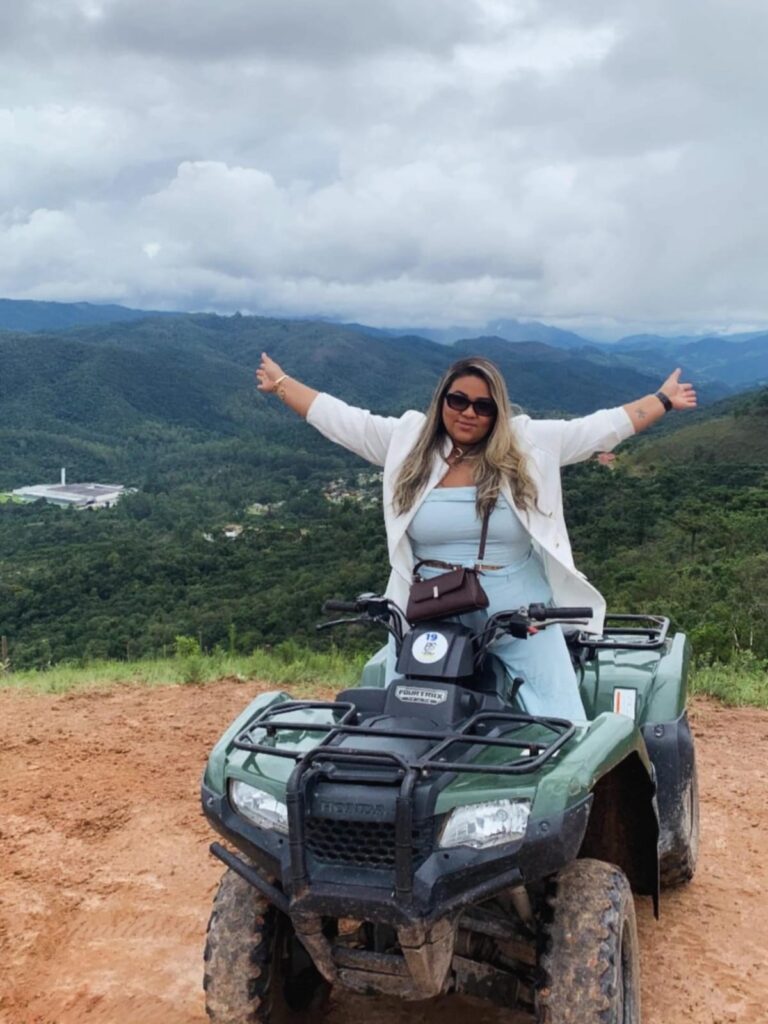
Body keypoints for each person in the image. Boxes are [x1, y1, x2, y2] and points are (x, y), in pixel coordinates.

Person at [256, 353, 696, 720]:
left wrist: (663, 399)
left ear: (498, 412)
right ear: (442, 400)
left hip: (517, 607)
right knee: (393, 715)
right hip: (429, 606)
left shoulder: (528, 443)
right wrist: (282, 384)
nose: (469, 412)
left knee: (561, 718)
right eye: (458, 400)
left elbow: (599, 427)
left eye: (483, 406)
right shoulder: (409, 442)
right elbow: (343, 420)